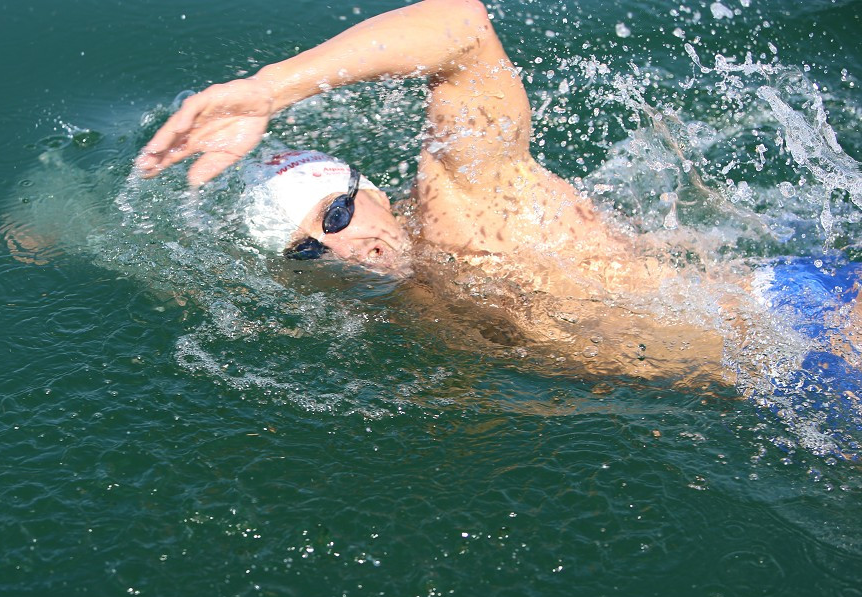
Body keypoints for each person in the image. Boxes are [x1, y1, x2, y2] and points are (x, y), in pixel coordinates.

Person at [135, 0, 861, 387]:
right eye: (306, 250)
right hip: (766, 385)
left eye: (338, 212)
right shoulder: (386, 309)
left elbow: (461, 27)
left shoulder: (466, 209)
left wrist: (270, 88)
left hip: (807, 324)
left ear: (376, 192)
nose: (344, 245)